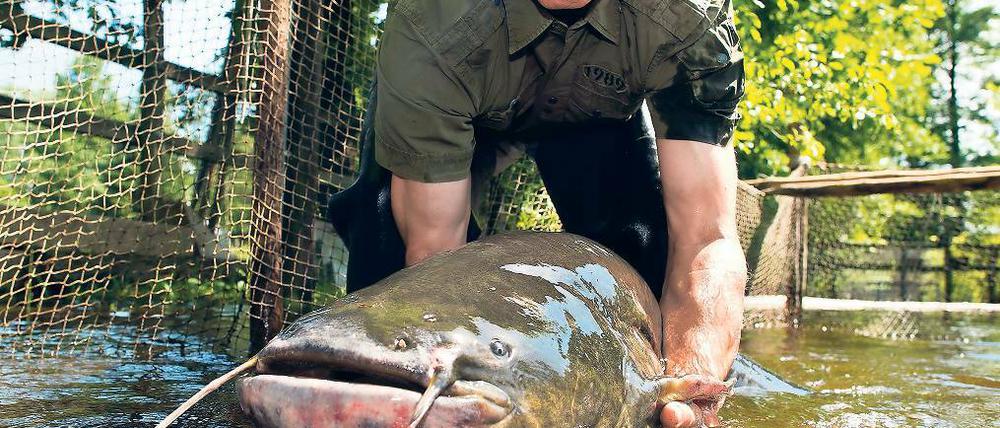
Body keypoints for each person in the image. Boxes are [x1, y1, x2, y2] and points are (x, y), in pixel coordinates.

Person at [327, 0, 746, 426]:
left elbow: (705, 241)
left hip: (598, 120)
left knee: (646, 255)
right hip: (464, 113)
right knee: (383, 255)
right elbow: (434, 255)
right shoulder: (430, 24)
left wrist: (690, 390)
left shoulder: (687, 17)